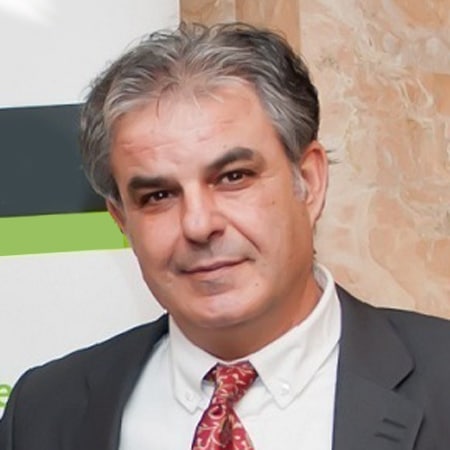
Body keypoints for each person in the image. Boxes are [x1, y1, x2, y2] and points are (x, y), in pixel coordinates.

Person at [1, 22, 449, 450]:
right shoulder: (44, 413)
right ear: (122, 221)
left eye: (233, 177)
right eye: (158, 196)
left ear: (309, 182)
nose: (198, 225)